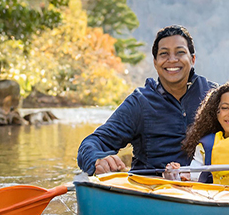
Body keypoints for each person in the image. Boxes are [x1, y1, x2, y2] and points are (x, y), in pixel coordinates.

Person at [76, 25, 216, 175]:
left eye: (180, 52)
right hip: (150, 190)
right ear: (155, 63)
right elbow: (92, 143)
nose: (172, 60)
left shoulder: (215, 97)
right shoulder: (140, 102)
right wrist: (98, 160)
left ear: (192, 59)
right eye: (164, 54)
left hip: (206, 191)